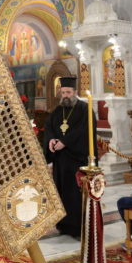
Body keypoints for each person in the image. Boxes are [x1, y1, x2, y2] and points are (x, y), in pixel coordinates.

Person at [44, 76, 97, 238]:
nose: (65, 95)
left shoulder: (85, 109)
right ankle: (64, 225)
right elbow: (49, 127)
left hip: (77, 160)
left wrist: (65, 142)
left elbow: (83, 130)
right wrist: (51, 140)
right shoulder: (57, 111)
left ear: (75, 92)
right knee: (62, 193)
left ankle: (78, 227)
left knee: (75, 194)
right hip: (61, 161)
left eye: (68, 92)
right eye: (63, 92)